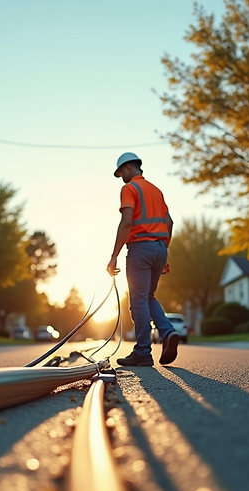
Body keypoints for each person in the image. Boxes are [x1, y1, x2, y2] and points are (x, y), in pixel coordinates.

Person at [106, 152, 179, 366]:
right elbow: (170, 222)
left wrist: (114, 256)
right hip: (159, 248)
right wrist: (162, 249)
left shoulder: (129, 189)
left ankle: (143, 352)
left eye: (121, 173)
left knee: (138, 300)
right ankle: (167, 332)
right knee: (148, 296)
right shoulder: (156, 190)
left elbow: (127, 222)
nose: (121, 177)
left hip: (140, 248)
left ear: (128, 167)